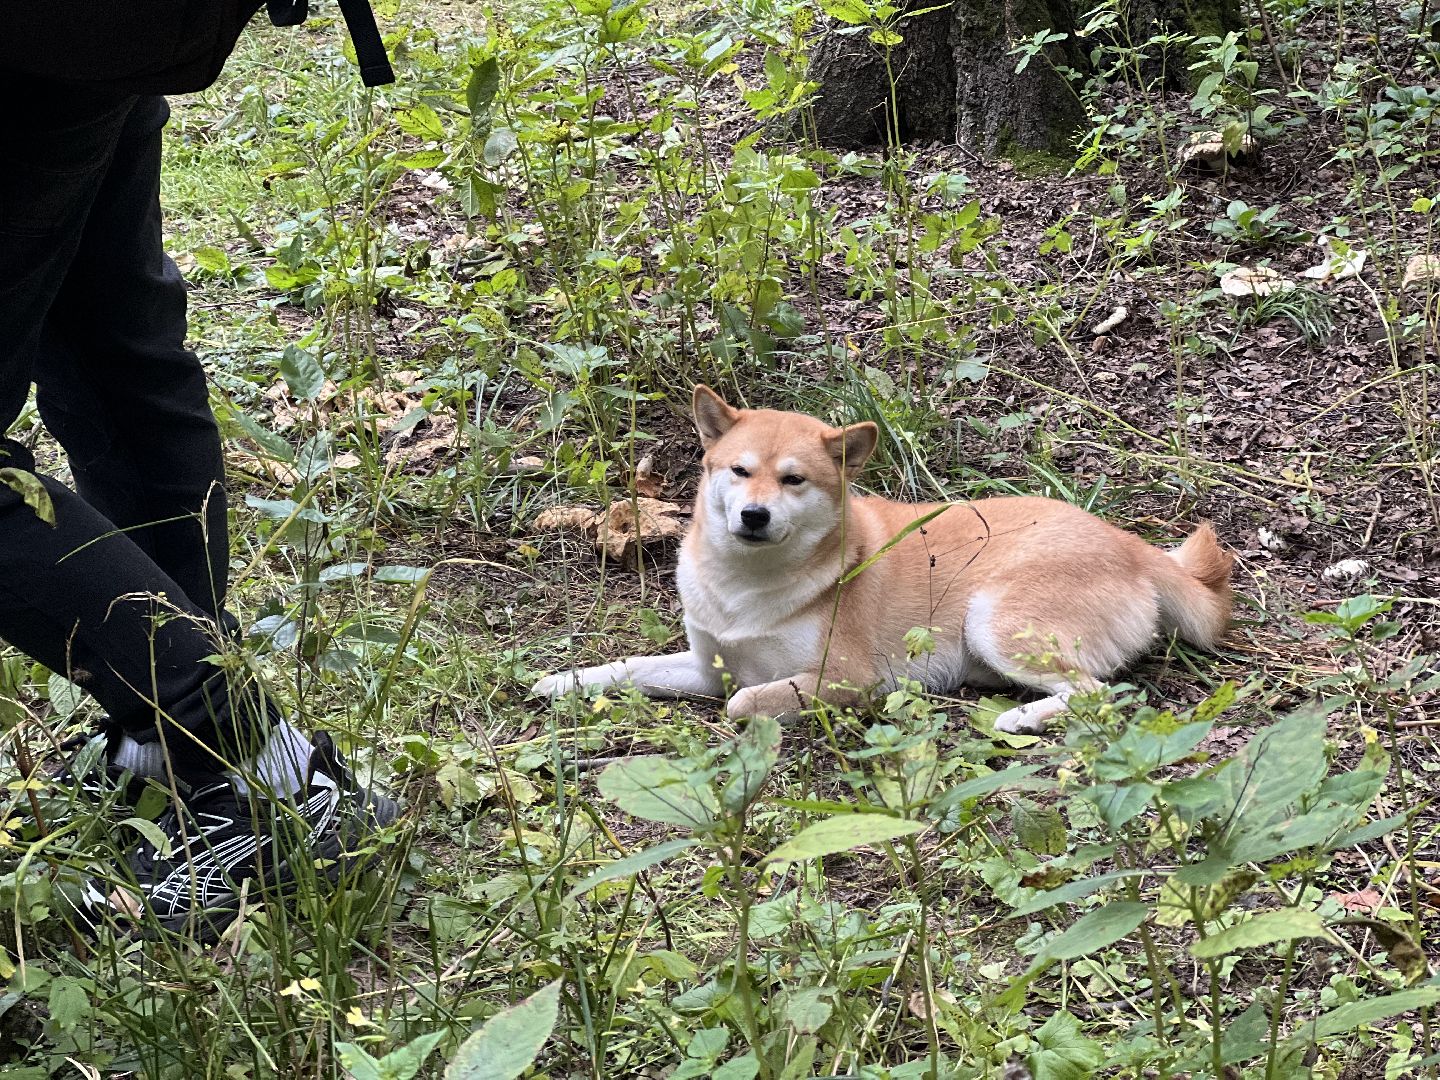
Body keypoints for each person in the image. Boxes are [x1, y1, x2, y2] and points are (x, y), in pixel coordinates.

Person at [0, 3, 398, 940]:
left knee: (113, 354)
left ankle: (264, 773)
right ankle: (172, 744)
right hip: (101, 31)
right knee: (111, 353)